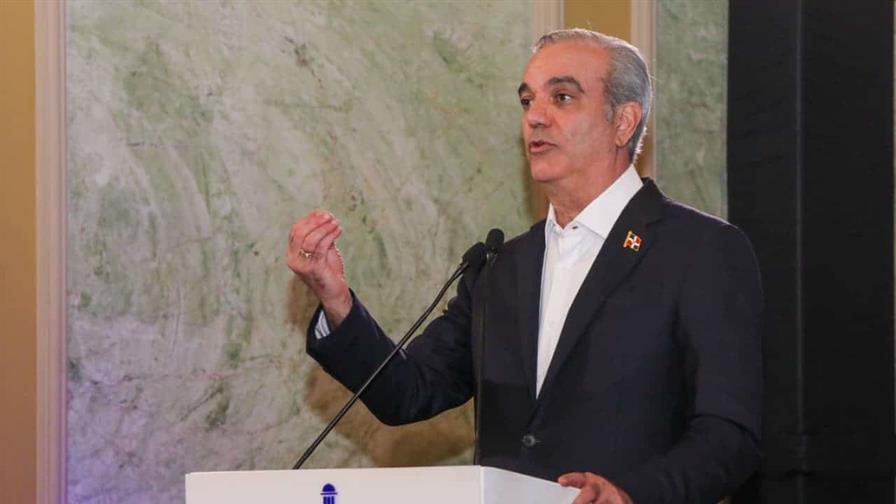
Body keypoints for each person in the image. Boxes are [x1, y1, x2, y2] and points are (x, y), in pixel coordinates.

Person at [287, 29, 762, 504]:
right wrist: (337, 302)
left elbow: (728, 436)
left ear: (623, 121)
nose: (535, 116)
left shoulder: (699, 250)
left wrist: (629, 495)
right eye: (527, 100)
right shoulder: (502, 266)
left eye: (562, 97)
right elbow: (408, 392)